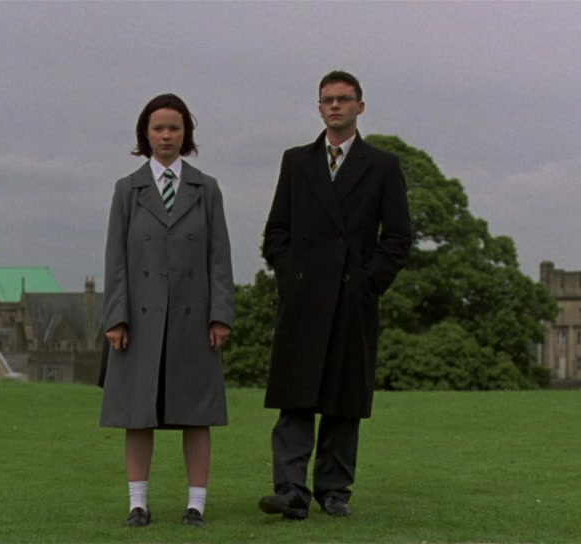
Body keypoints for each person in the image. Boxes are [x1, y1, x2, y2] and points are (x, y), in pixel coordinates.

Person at [257, 71, 412, 520]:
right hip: (303, 298)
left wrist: (368, 283)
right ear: (319, 107)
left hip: (352, 298)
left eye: (344, 99)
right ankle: (290, 490)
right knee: (296, 397)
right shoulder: (296, 161)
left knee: (343, 399)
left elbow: (398, 236)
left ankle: (334, 490)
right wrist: (290, 277)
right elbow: (277, 231)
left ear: (360, 106)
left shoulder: (383, 166)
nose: (335, 106)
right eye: (328, 100)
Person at [99, 93, 235, 528]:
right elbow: (115, 260)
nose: (166, 136)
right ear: (145, 134)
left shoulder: (207, 188)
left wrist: (221, 315)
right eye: (158, 128)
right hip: (139, 323)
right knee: (137, 413)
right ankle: (138, 503)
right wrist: (115, 317)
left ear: (186, 134)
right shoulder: (127, 189)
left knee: (197, 414)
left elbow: (219, 258)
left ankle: (196, 504)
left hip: (195, 322)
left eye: (174, 128)